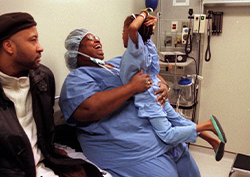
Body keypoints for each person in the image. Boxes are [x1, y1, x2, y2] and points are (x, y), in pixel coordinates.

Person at [59, 23, 200, 177]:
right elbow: (88, 109)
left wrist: (164, 85)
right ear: (76, 52)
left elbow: (150, 72)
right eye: (91, 40)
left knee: (191, 171)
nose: (97, 41)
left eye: (97, 38)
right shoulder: (77, 78)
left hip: (159, 136)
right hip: (126, 150)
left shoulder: (117, 63)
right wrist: (132, 88)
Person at [0, 12, 102, 177]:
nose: (40, 47)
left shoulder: (43, 79)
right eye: (33, 40)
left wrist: (58, 161)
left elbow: (44, 137)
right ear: (9, 46)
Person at [119, 9, 227, 163]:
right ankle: (213, 141)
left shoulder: (135, 50)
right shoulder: (147, 44)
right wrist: (152, 22)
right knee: (177, 119)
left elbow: (133, 29)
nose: (123, 35)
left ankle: (207, 125)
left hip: (149, 98)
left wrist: (144, 13)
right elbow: (142, 33)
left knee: (167, 134)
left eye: (123, 31)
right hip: (155, 90)